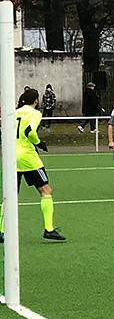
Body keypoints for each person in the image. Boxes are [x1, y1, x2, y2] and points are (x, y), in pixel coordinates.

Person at [1, 89, 66, 242]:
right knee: (46, 190)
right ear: (36, 100)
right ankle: (49, 229)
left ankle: (1, 230)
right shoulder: (35, 113)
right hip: (28, 157)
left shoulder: (14, 112)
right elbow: (30, 131)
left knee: (8, 195)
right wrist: (40, 143)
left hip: (11, 155)